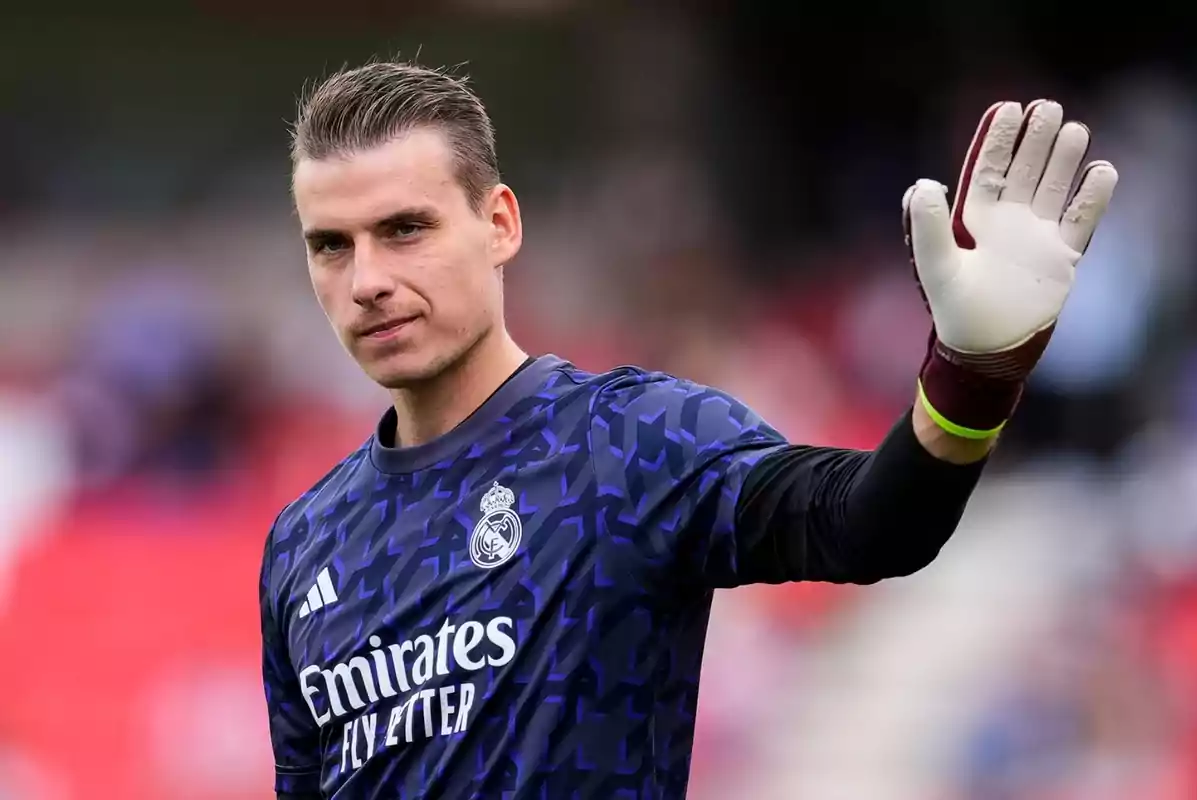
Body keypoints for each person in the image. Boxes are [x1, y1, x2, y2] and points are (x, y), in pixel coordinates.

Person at [260, 61, 1118, 799]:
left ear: (499, 225)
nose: (367, 278)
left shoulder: (632, 441)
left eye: (405, 229)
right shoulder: (303, 545)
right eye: (331, 246)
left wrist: (970, 379)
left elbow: (867, 525)